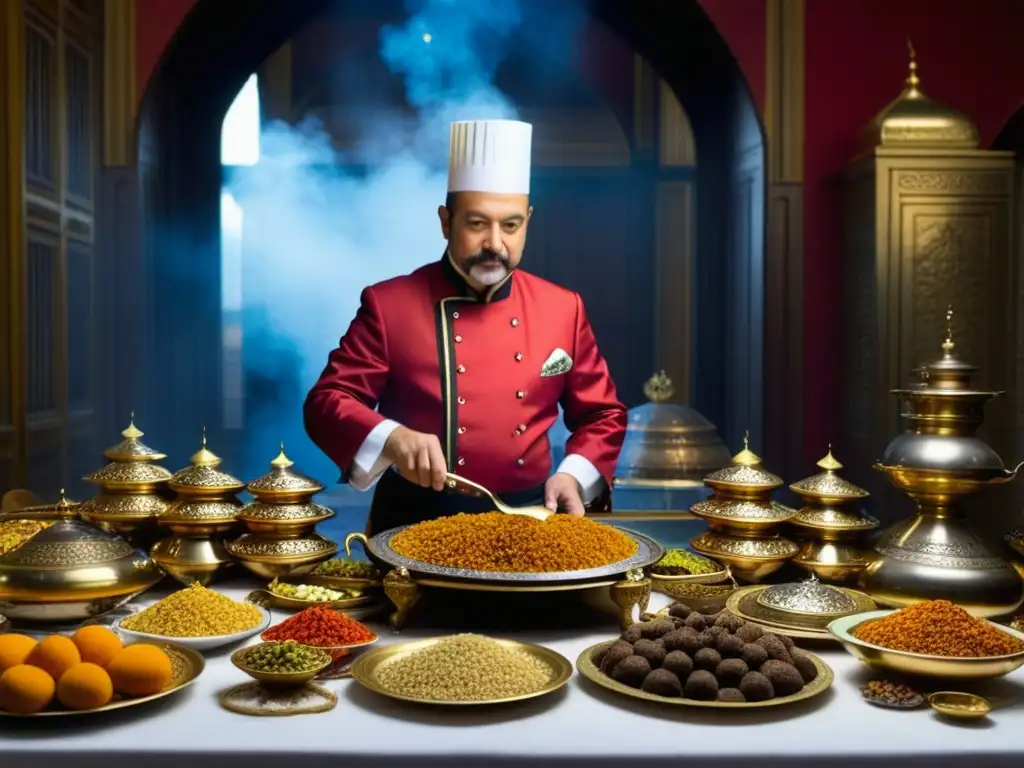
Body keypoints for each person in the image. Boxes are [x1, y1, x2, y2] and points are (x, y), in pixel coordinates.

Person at [304, 119, 627, 536]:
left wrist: (574, 475)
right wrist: (392, 438)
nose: (495, 243)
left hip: (533, 523)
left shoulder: (563, 308)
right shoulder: (389, 305)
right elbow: (326, 401)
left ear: (527, 220)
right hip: (414, 523)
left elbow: (603, 415)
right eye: (477, 224)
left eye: (510, 225)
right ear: (445, 221)